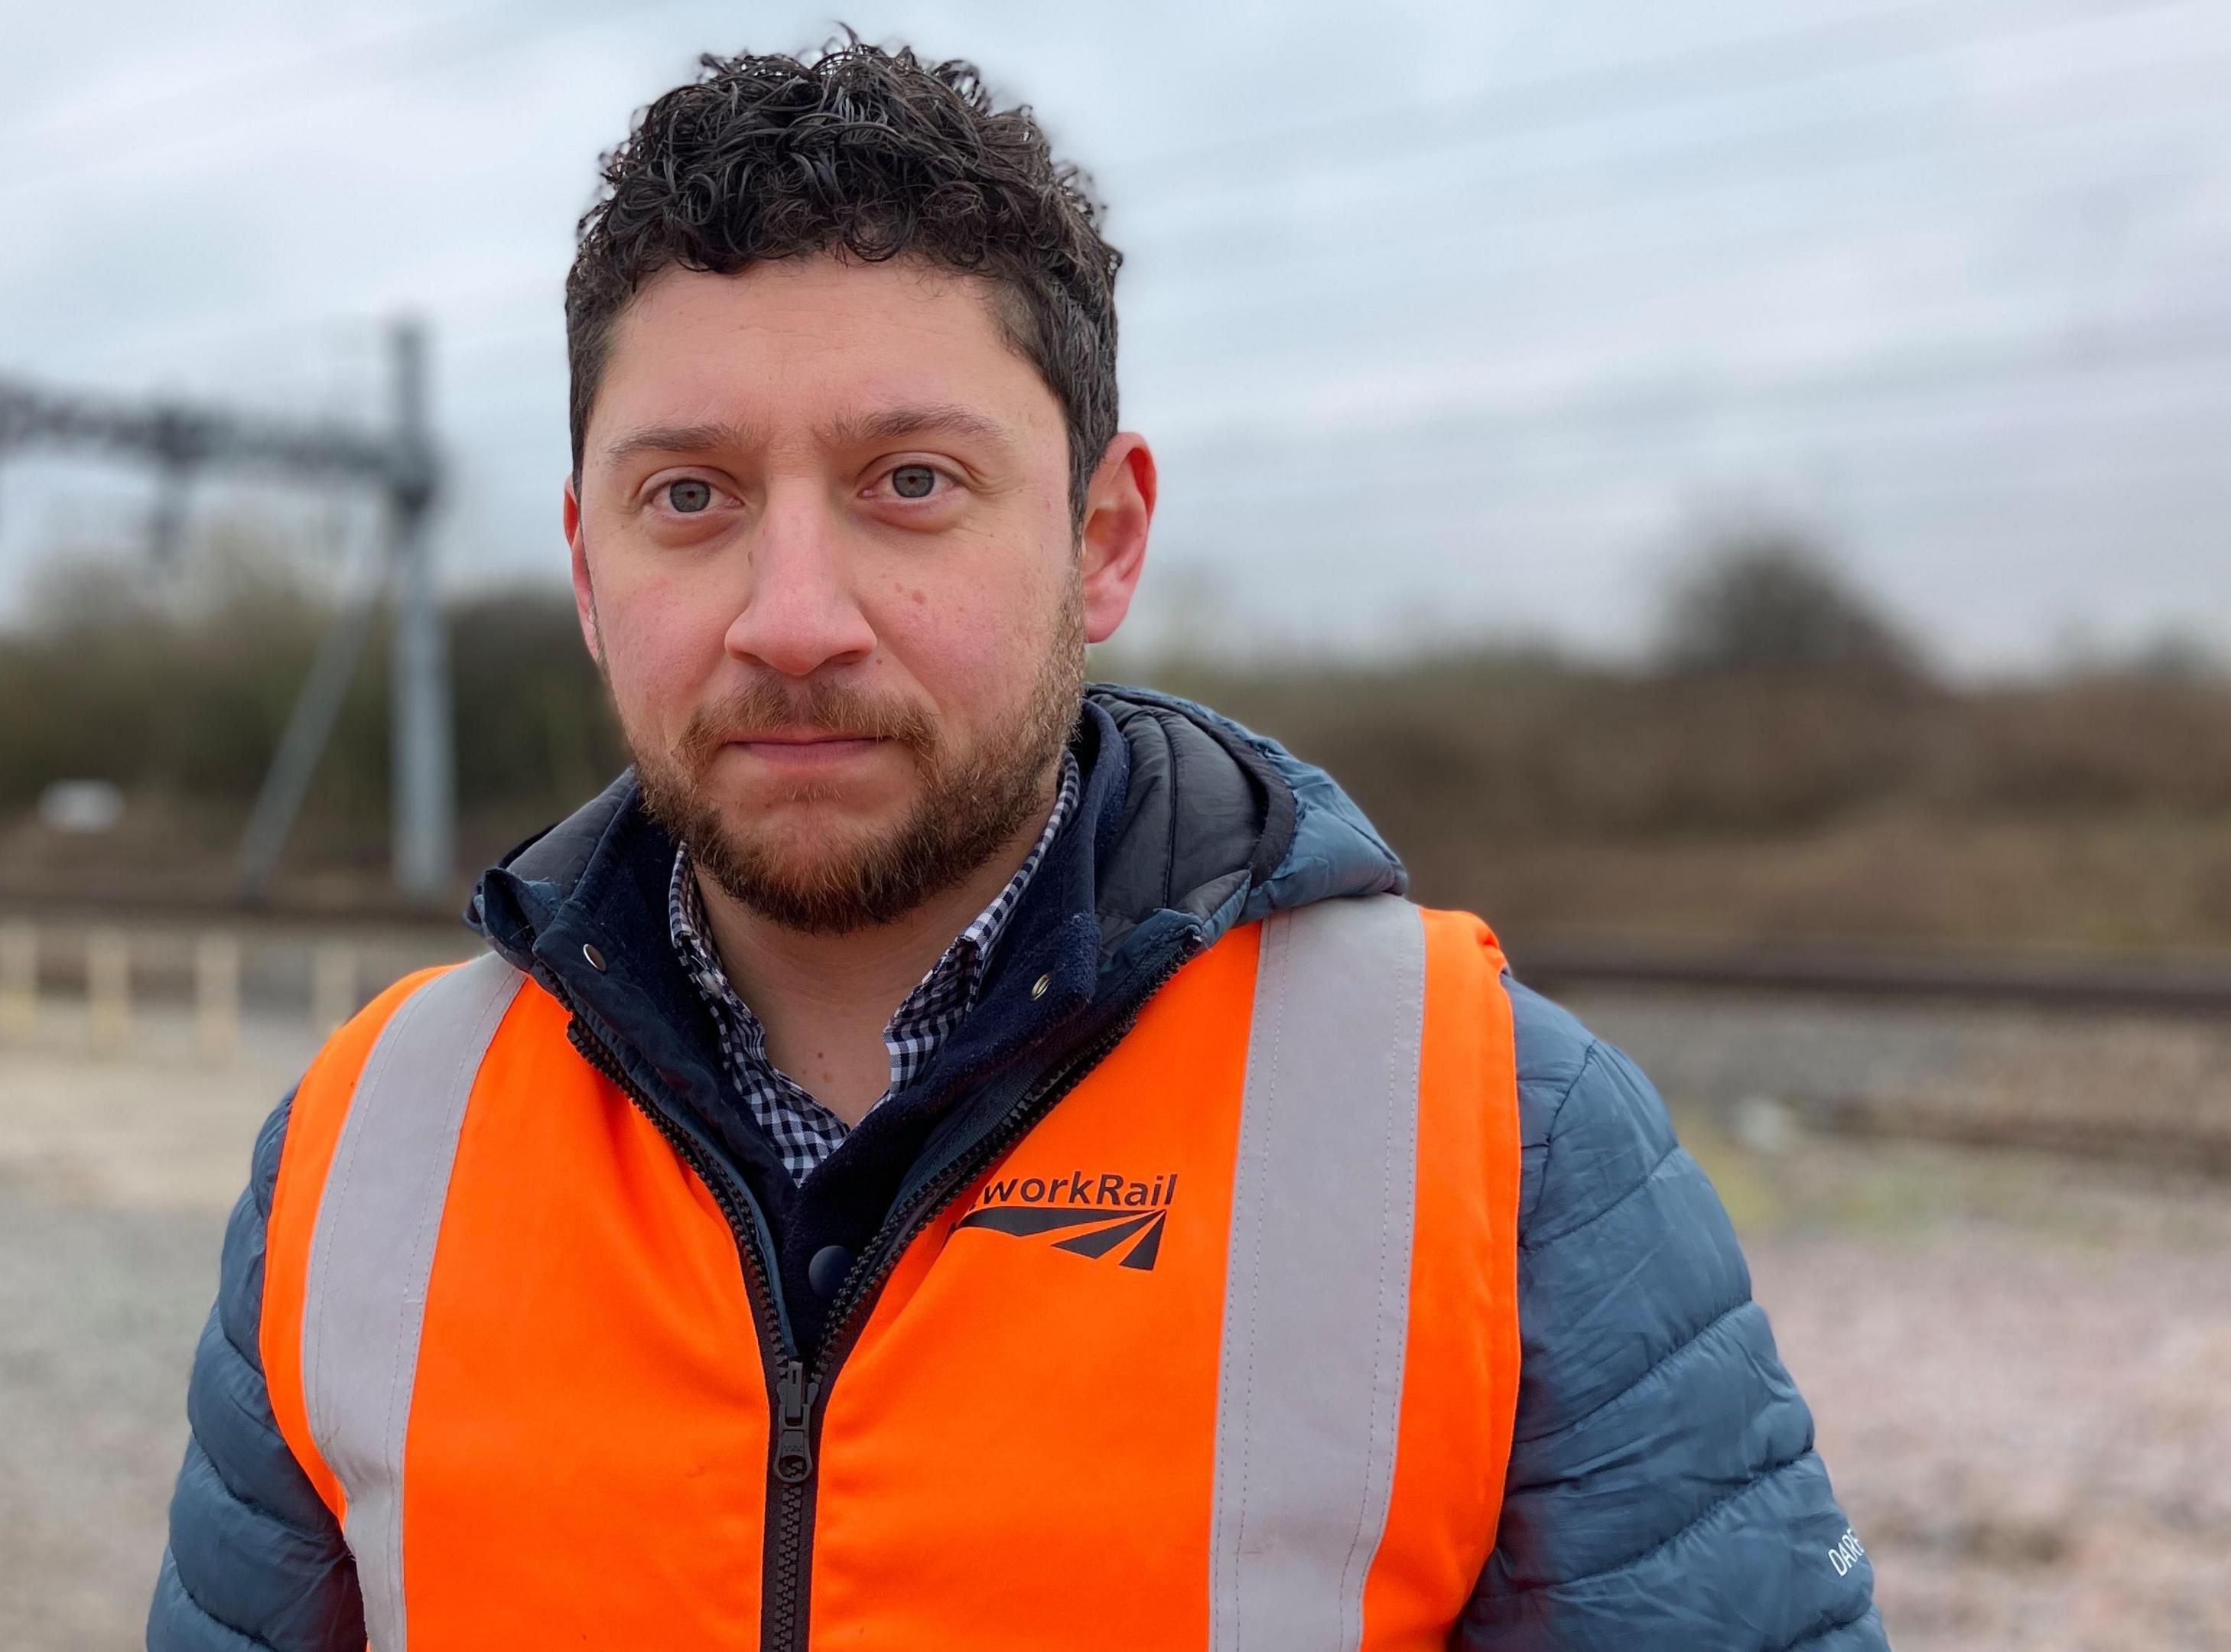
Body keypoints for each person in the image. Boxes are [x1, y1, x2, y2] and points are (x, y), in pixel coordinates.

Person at [149, 38, 1885, 1652]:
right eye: (691, 496)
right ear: (590, 575)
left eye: (910, 481)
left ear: (1102, 537)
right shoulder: (366, 1152)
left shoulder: (1494, 1137)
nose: (795, 617)